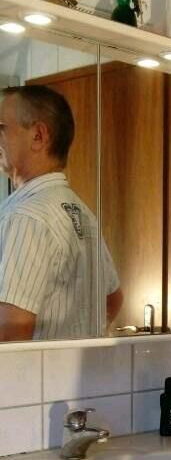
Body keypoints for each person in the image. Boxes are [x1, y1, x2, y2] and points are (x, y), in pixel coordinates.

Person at [0, 85, 122, 341]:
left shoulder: (25, 217)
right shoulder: (82, 212)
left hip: (31, 370)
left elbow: (11, 331)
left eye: (1, 128)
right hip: (76, 368)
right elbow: (112, 300)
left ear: (38, 136)